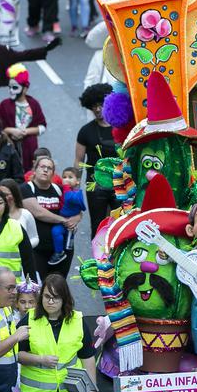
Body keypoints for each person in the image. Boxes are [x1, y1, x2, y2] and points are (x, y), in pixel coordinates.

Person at [17, 273, 98, 392]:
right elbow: (17, 354)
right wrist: (40, 359)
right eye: (47, 296)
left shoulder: (77, 320)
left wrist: (91, 389)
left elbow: (87, 357)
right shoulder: (28, 320)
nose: (51, 301)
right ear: (41, 297)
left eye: (56, 297)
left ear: (64, 299)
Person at [21, 156, 78, 279]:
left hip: (61, 250)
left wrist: (76, 218)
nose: (45, 170)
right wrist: (63, 220)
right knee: (38, 287)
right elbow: (38, 212)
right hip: (37, 250)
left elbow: (77, 205)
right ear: (34, 170)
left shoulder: (59, 189)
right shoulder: (26, 188)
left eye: (49, 168)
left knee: (58, 287)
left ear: (53, 173)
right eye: (42, 167)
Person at [74, 83, 117, 233]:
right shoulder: (85, 131)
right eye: (94, 106)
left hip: (120, 184)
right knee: (98, 226)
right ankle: (98, 256)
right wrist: (75, 186)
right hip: (95, 186)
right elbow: (78, 161)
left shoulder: (120, 128)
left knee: (120, 225)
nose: (97, 109)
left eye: (101, 105)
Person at [0, 64, 46, 171]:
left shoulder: (34, 104)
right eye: (9, 87)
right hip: (9, 147)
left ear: (25, 89)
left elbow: (42, 127)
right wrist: (11, 130)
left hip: (30, 149)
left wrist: (25, 131)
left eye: (15, 88)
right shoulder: (4, 105)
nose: (11, 91)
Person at [48, 168, 85, 266]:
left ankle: (65, 253)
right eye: (64, 177)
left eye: (70, 177)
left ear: (77, 181)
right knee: (56, 232)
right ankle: (59, 252)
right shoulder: (62, 189)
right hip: (61, 221)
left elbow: (69, 199)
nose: (66, 179)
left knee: (68, 244)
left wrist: (66, 187)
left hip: (70, 224)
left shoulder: (77, 193)